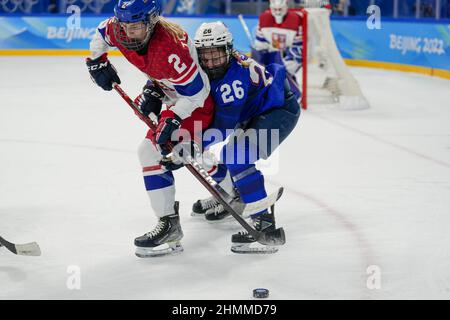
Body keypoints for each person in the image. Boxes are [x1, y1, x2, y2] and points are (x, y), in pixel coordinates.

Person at [86, 0, 214, 257]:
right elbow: (101, 33)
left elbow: (198, 93)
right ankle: (226, 193)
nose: (127, 33)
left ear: (152, 21)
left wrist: (174, 116)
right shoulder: (118, 29)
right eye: (124, 25)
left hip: (194, 104)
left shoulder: (171, 49)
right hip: (168, 93)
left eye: (135, 27)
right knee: (168, 151)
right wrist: (97, 61)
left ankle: (170, 225)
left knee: (152, 151)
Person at [192, 21, 301, 254]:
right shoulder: (220, 64)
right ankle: (234, 196)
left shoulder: (234, 80)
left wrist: (192, 144)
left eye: (216, 57)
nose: (210, 64)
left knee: (237, 156)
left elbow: (223, 126)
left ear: (228, 50)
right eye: (206, 57)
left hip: (279, 111)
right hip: (257, 110)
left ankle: (264, 223)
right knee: (226, 154)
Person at [252, 0, 304, 99]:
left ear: (285, 7)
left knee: (284, 72)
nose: (277, 12)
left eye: (280, 9)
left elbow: (298, 49)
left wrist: (286, 66)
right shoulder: (264, 19)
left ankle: (290, 93)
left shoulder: (296, 20)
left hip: (287, 56)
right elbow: (260, 46)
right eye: (275, 9)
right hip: (272, 55)